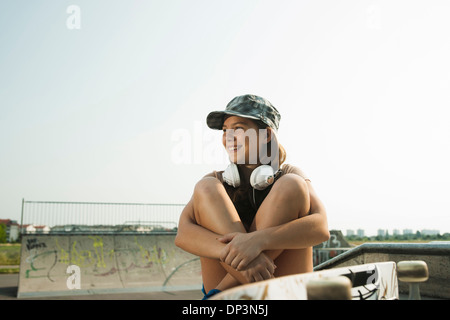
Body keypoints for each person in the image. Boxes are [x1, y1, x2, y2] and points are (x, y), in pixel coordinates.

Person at [175, 94, 330, 299]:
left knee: (291, 185)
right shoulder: (215, 182)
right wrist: (235, 251)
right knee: (205, 187)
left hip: (276, 287)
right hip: (263, 289)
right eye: (225, 131)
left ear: (266, 134)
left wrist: (258, 241)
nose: (229, 138)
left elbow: (320, 228)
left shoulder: (290, 174)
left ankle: (220, 294)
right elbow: (183, 234)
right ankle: (231, 292)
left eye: (238, 129)